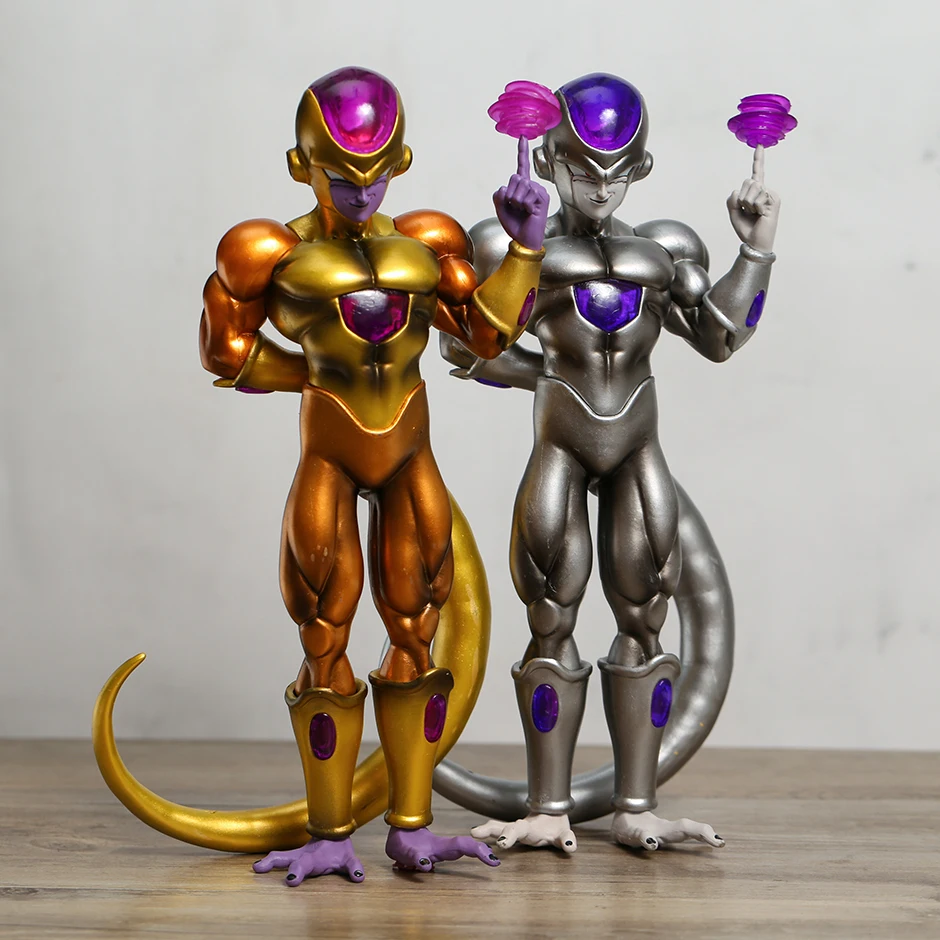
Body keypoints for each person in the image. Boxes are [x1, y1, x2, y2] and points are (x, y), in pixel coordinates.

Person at [200, 66, 548, 884]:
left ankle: (411, 828)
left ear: (402, 162)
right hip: (329, 452)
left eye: (376, 174)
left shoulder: (427, 242)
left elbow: (487, 334)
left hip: (407, 455)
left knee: (416, 629)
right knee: (324, 632)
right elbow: (225, 351)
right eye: (340, 176)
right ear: (302, 166)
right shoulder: (266, 250)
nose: (361, 192)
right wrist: (314, 380)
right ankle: (329, 833)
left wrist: (526, 244)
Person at [442, 72, 780, 852]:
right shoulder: (511, 243)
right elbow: (467, 344)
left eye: (617, 171)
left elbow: (722, 336)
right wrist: (525, 259)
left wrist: (756, 248)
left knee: (645, 615)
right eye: (582, 169)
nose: (599, 187)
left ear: (640, 169)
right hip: (561, 446)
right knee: (549, 614)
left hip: (636, 450)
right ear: (548, 161)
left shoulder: (662, 250)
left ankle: (635, 805)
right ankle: (548, 808)